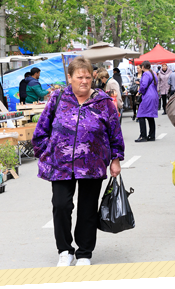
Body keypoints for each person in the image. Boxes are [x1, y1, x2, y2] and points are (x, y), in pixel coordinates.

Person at [32, 56, 124, 267]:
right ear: (69, 77)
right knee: (61, 205)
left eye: (88, 77)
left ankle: (84, 252)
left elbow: (115, 133)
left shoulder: (103, 102)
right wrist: (47, 153)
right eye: (79, 77)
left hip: (92, 164)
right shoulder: (58, 98)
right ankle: (65, 250)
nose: (84, 81)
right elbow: (41, 131)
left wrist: (115, 159)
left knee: (87, 209)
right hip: (60, 165)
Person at [135, 61, 158, 142]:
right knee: (150, 116)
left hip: (148, 96)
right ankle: (152, 136)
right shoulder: (153, 73)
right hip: (154, 95)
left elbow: (144, 85)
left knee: (141, 115)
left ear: (143, 67)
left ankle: (143, 136)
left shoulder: (145, 74)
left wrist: (139, 92)